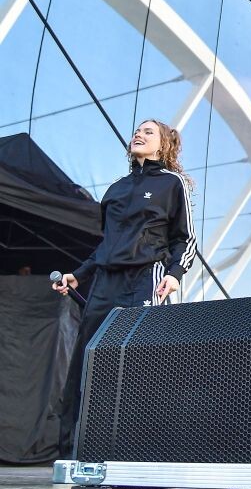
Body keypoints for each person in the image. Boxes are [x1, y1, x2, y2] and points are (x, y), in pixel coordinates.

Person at [53, 119, 197, 457]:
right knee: (88, 358)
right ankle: (74, 453)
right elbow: (108, 244)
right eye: (137, 130)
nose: (139, 134)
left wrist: (175, 273)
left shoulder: (172, 183)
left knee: (142, 362)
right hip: (105, 282)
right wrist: (80, 274)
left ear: (163, 144)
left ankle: (147, 450)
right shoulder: (116, 188)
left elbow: (185, 238)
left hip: (147, 276)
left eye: (149, 132)